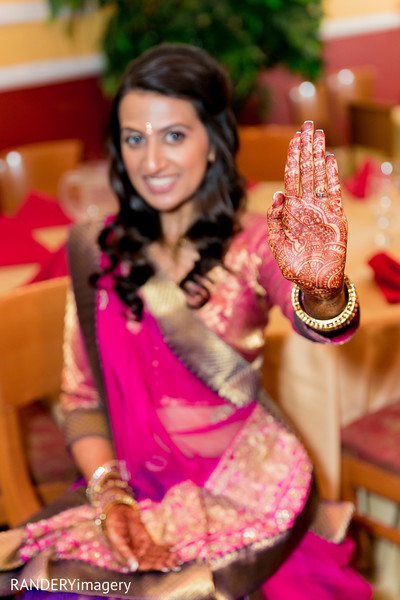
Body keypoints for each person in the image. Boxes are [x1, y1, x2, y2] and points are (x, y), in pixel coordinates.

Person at [0, 43, 371, 600]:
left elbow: (322, 322)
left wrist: (321, 289)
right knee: (42, 585)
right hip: (129, 488)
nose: (151, 162)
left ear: (215, 143)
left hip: (242, 489)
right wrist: (111, 496)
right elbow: (81, 400)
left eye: (174, 135)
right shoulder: (96, 251)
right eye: (134, 138)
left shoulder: (254, 244)